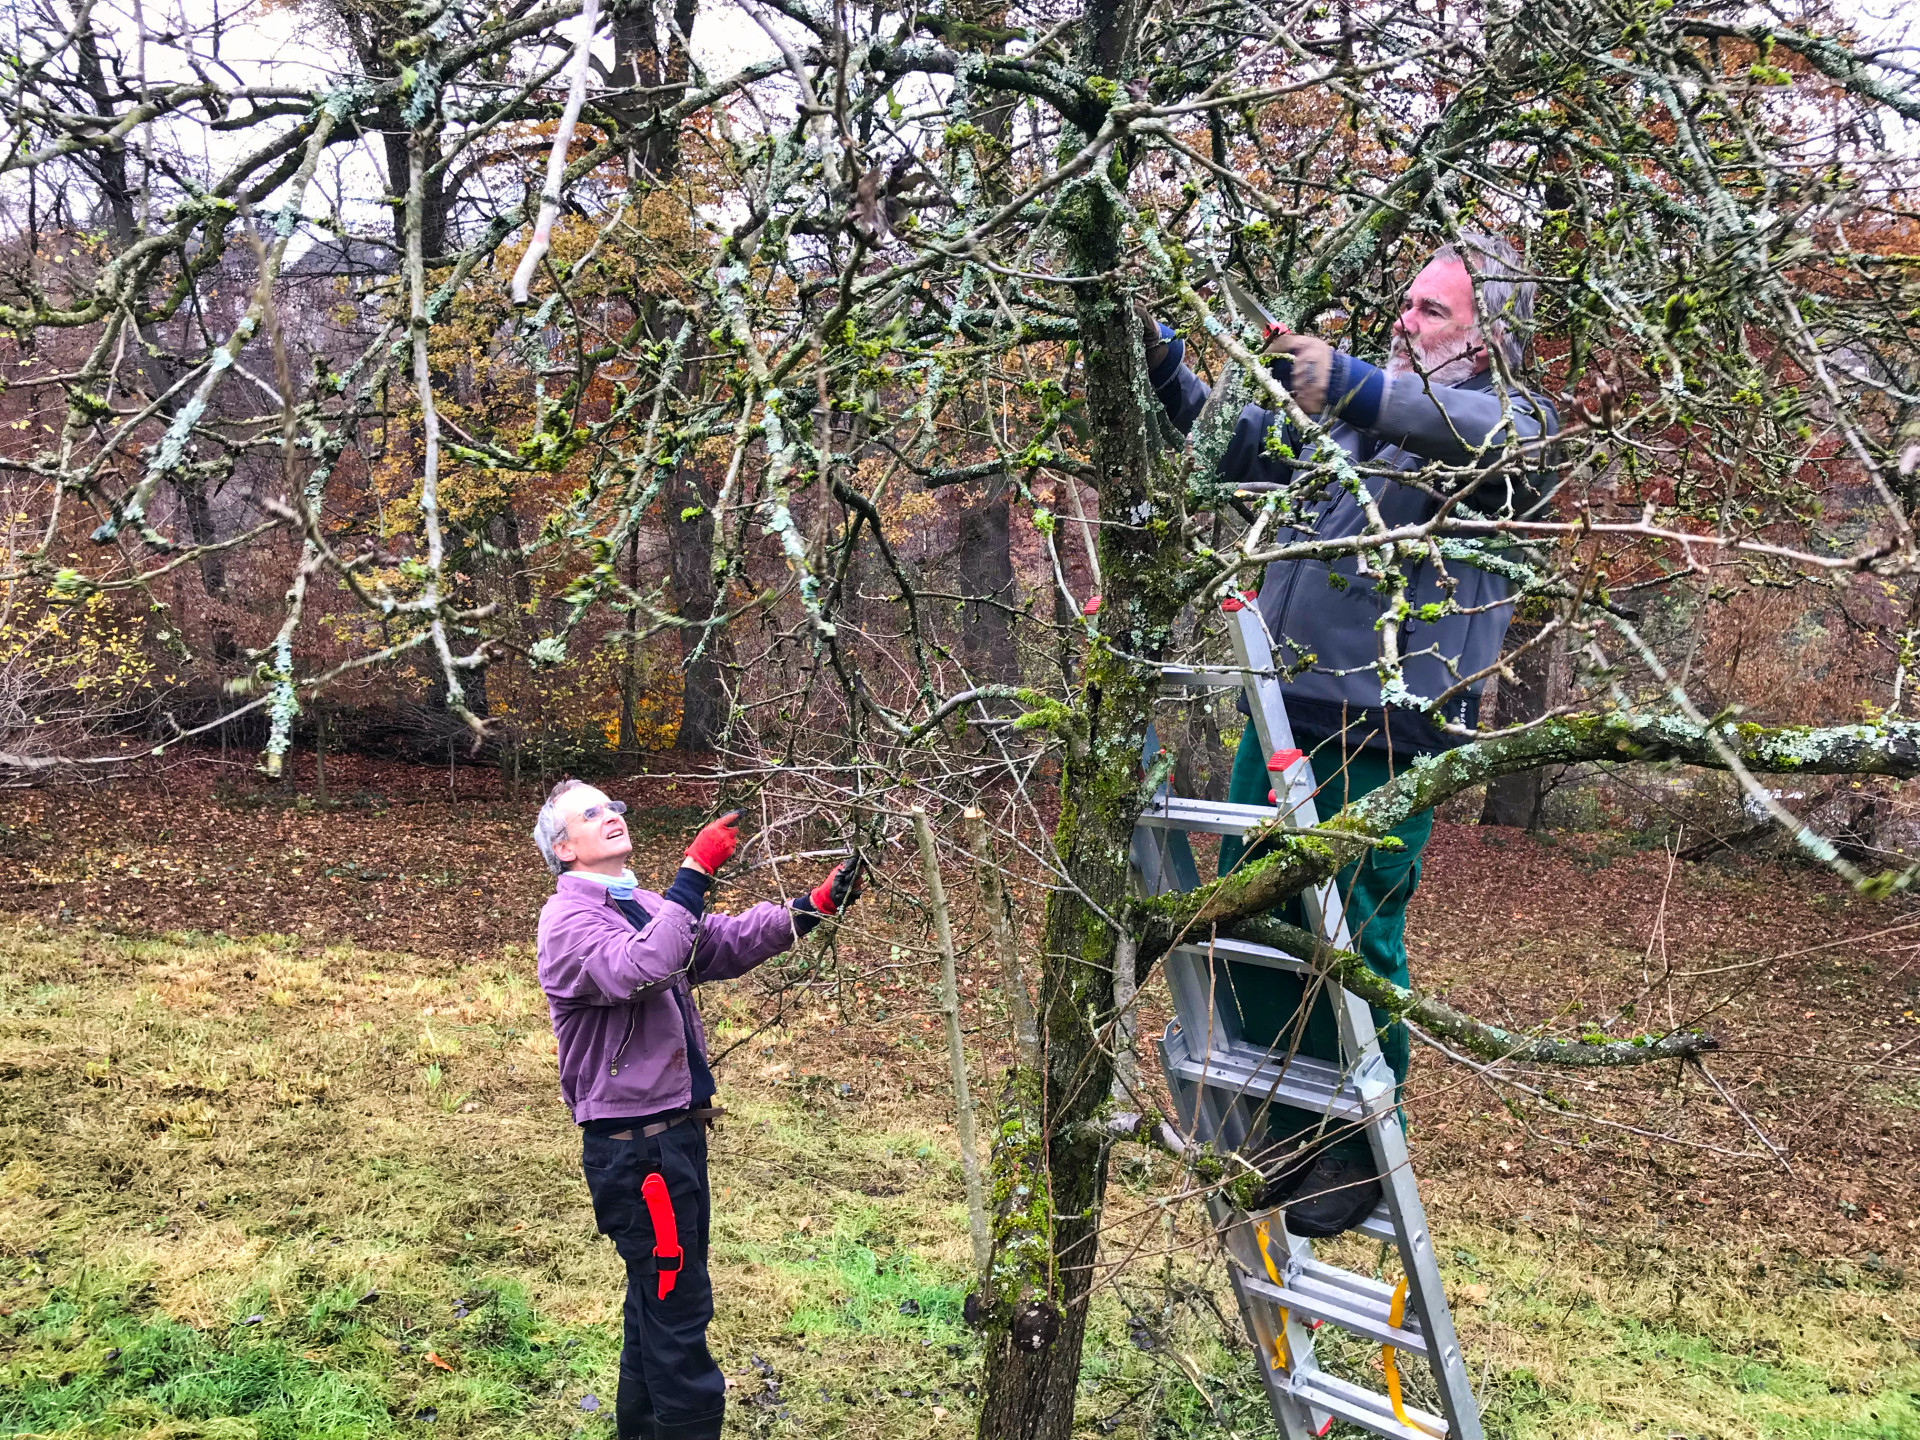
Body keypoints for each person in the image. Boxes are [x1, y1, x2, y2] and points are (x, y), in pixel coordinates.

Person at [1142, 233, 1558, 1237]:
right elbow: (1236, 451)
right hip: (1283, 710)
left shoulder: (1514, 424)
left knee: (1355, 930)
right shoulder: (1358, 434)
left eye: (1433, 312)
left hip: (1386, 730)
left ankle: (1358, 1142)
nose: (1406, 322)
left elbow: (1464, 430)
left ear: (1489, 334)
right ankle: (1284, 1122)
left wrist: (1352, 384)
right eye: (1405, 306)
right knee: (1243, 913)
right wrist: (1161, 363)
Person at [532, 781, 863, 1440]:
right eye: (592, 814)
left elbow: (721, 942)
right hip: (637, 1151)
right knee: (678, 1310)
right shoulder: (567, 921)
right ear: (564, 848)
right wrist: (693, 873)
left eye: (615, 807)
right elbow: (642, 967)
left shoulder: (641, 904)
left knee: (655, 1305)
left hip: (671, 1140)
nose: (613, 817)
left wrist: (812, 907)